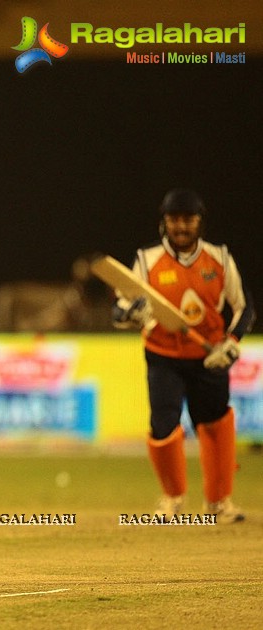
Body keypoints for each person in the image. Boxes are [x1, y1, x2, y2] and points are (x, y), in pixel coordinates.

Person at [112, 189, 254, 524]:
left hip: (209, 358)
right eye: (174, 220)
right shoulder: (147, 260)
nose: (181, 227)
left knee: (216, 422)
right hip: (163, 356)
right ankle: (172, 499)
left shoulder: (218, 258)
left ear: (199, 222)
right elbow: (120, 307)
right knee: (163, 425)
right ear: (164, 223)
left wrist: (232, 341)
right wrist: (130, 315)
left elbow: (244, 307)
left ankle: (219, 503)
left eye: (188, 220)